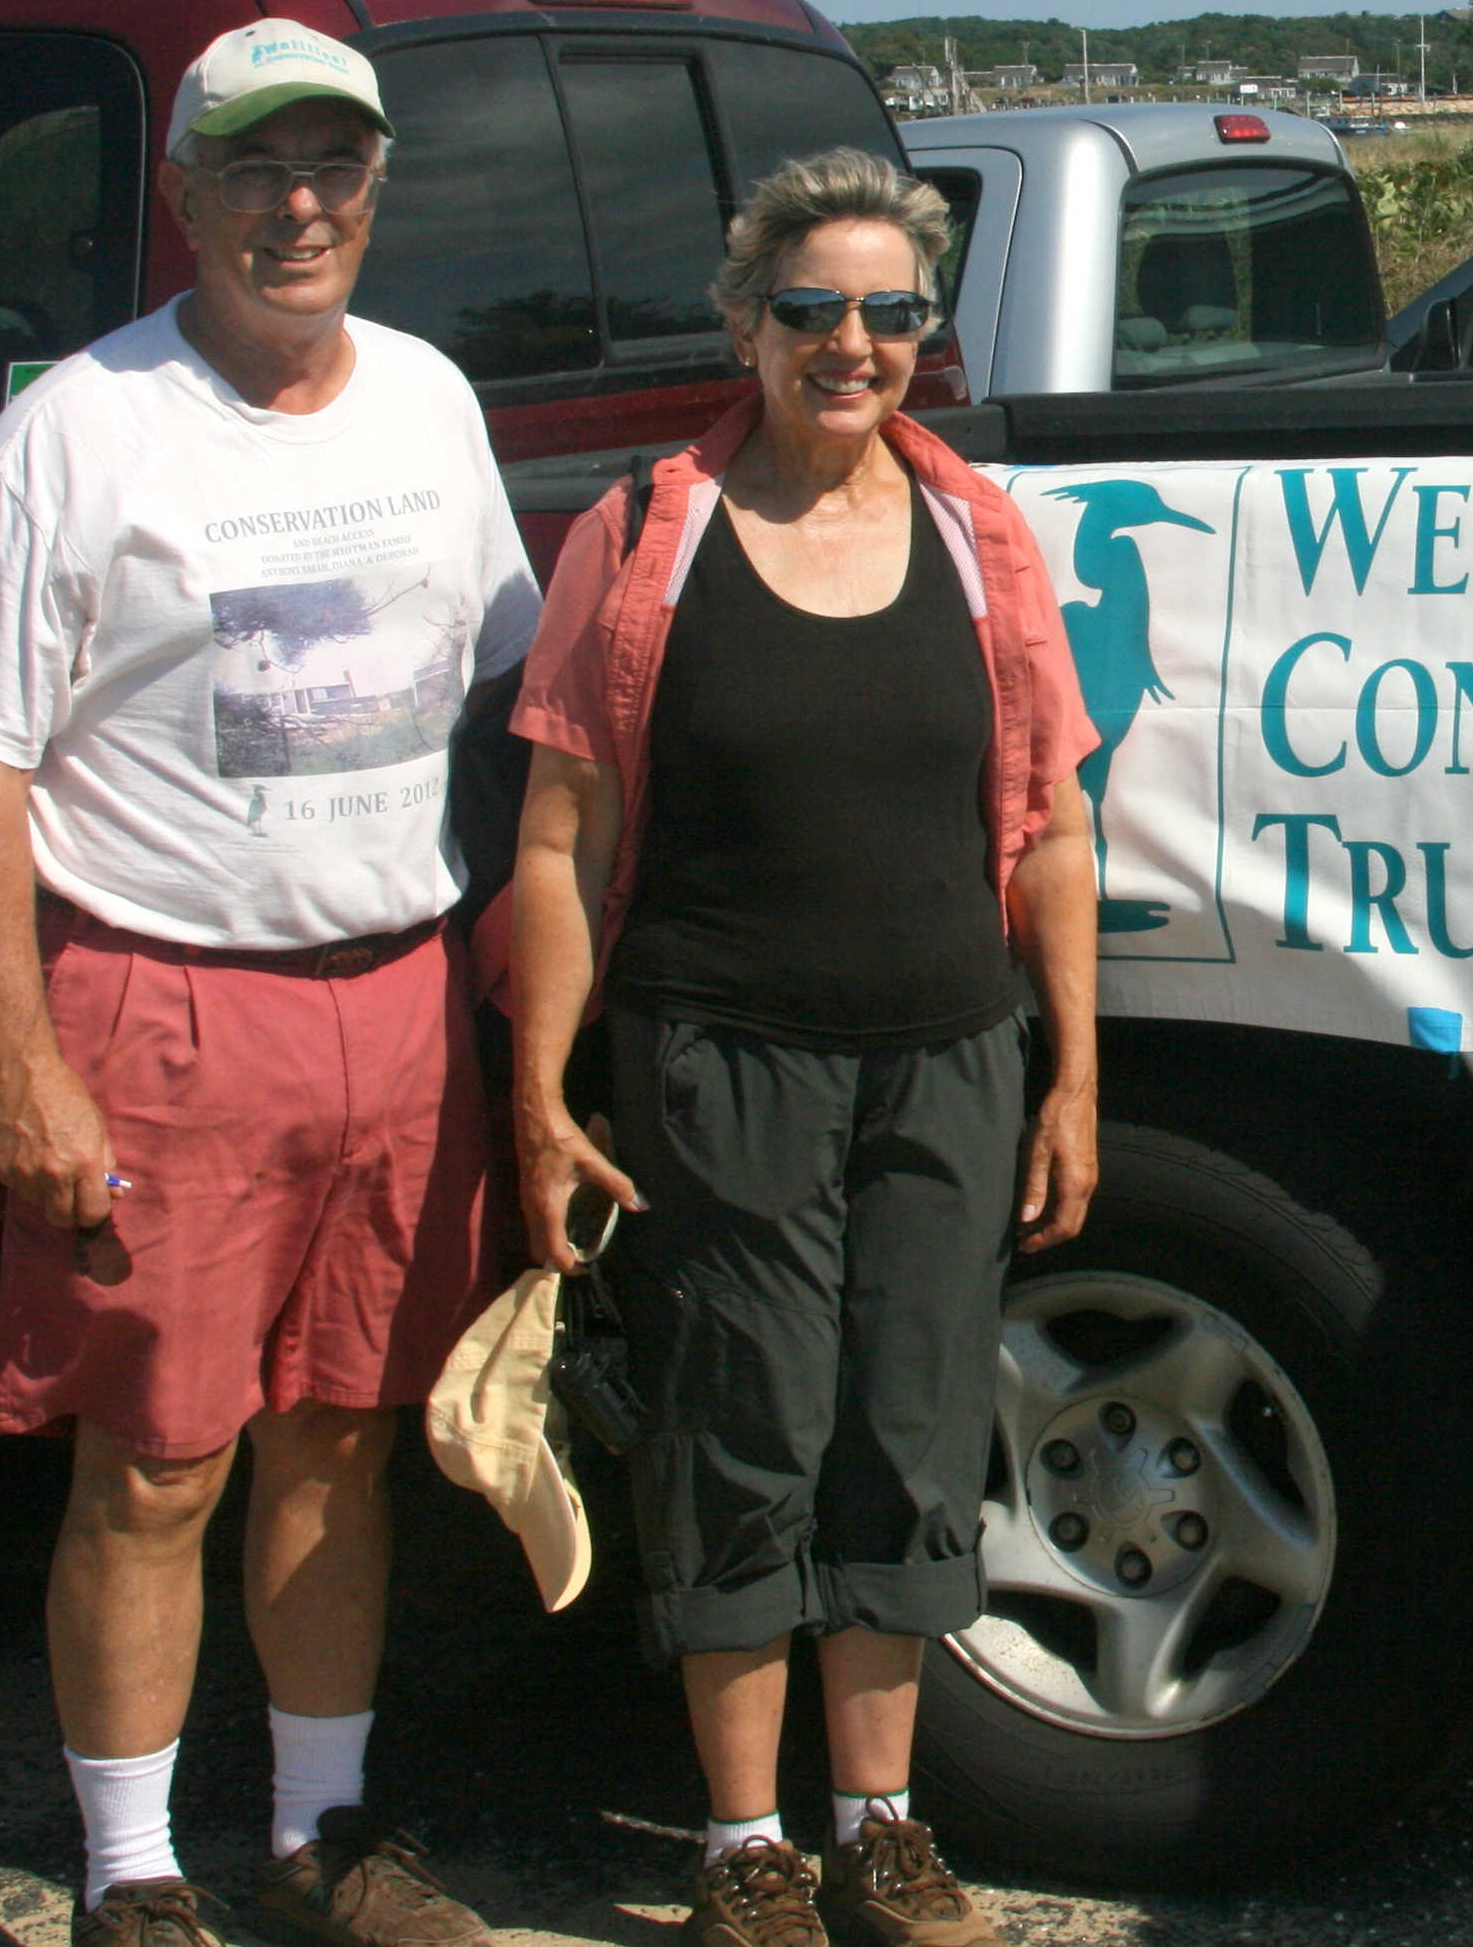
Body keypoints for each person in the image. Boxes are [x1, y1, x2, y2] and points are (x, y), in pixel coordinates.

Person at [0, 22, 541, 1947]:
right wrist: (20, 1064)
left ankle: (321, 1840)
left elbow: (502, 685)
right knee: (157, 1464)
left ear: (377, 187)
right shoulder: (83, 428)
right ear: (183, 197)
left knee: (342, 1440)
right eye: (256, 168)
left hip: (397, 1001)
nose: (299, 205)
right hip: (163, 1014)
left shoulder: (428, 399)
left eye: (334, 165)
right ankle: (132, 1874)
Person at [506, 149, 1101, 1947]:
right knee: (741, 1428)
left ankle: (884, 1831)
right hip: (724, 1058)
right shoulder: (643, 535)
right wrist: (540, 1095)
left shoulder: (981, 535)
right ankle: (743, 1846)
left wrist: (1073, 1075)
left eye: (889, 312)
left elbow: (1055, 830)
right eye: (811, 309)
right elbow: (561, 837)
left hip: (949, 1058)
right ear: (745, 324)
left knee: (912, 1434)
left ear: (926, 332)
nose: (852, 344)